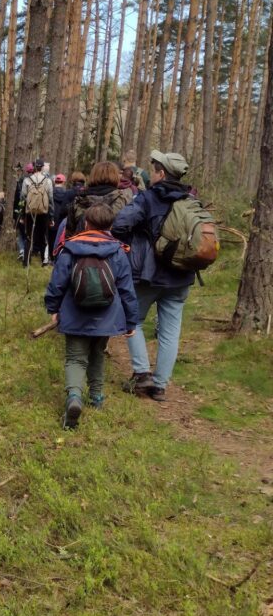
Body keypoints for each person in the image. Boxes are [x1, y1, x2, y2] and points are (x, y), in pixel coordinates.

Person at [111, 150, 204, 402]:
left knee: (133, 319)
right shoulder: (191, 199)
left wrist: (133, 243)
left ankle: (142, 374)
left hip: (149, 276)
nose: (151, 174)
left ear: (161, 174)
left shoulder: (148, 198)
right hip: (181, 276)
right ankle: (160, 385)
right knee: (170, 331)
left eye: (153, 170)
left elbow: (119, 225)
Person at [45, 203, 139, 428]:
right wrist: (131, 320)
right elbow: (127, 289)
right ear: (110, 226)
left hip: (74, 314)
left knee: (75, 358)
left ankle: (74, 397)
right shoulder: (117, 251)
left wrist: (53, 308)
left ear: (86, 223)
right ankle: (96, 397)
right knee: (97, 354)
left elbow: (57, 283)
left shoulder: (70, 248)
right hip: (107, 317)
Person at [66, 161, 130, 238]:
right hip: (113, 244)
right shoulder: (123, 200)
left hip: (81, 243)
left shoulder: (79, 199)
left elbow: (69, 233)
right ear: (115, 176)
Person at [20, 158, 54, 267]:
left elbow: (22, 198)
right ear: (42, 167)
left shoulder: (27, 180)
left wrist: (22, 215)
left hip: (30, 212)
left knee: (28, 236)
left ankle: (26, 262)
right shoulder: (48, 181)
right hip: (43, 212)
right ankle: (44, 261)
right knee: (43, 236)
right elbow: (50, 200)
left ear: (34, 167)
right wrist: (51, 217)